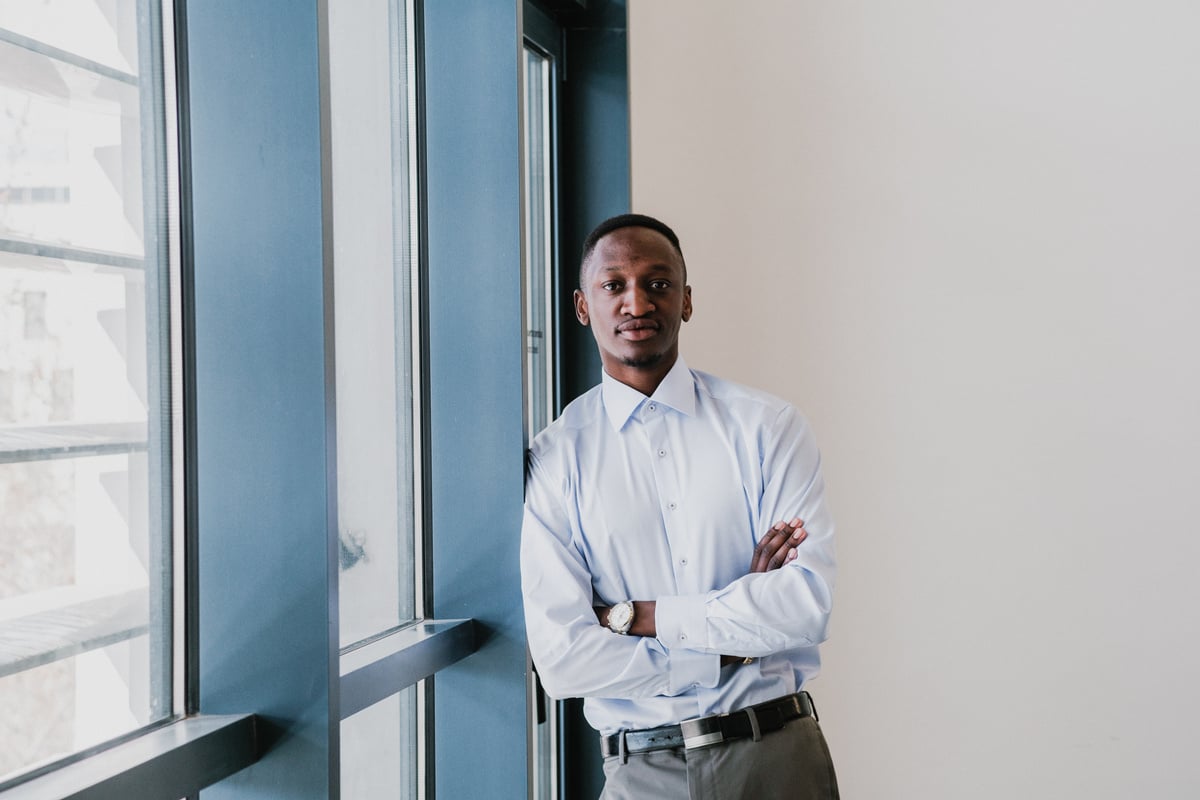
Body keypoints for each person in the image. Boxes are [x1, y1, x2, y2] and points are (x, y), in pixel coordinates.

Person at [520, 213, 839, 800]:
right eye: (613, 285)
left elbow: (802, 606)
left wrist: (634, 616)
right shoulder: (555, 459)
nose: (636, 301)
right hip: (643, 773)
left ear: (686, 301)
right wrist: (730, 640)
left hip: (778, 757)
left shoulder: (768, 428)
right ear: (583, 306)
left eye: (658, 283)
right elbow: (564, 659)